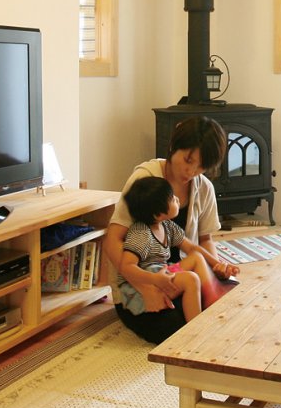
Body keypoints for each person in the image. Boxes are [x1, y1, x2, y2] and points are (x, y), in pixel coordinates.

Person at [102, 116, 230, 343]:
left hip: (178, 274)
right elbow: (113, 240)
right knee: (172, 326)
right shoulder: (146, 180)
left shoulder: (204, 187)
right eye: (188, 160)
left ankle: (204, 311)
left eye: (201, 166)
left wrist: (217, 269)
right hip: (139, 283)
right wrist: (146, 287)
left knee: (226, 300)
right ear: (173, 146)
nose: (191, 171)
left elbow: (205, 240)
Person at [117, 176, 238, 322]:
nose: (177, 199)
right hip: (144, 287)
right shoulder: (141, 233)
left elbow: (192, 248)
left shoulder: (167, 226)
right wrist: (155, 279)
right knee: (191, 279)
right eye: (172, 199)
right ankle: (195, 327)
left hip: (163, 273)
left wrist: (218, 264)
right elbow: (126, 267)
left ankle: (212, 294)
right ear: (158, 214)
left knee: (196, 257)